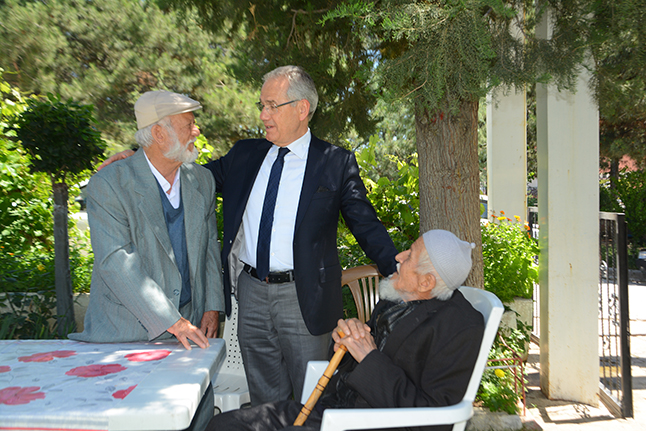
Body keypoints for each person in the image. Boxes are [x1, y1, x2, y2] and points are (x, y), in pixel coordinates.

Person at [99, 66, 399, 405]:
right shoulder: (245, 155)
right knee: (264, 401)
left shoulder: (335, 162)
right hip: (251, 294)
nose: (263, 115)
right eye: (262, 105)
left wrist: (401, 272)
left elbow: (366, 225)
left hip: (305, 299)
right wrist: (138, 157)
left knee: (313, 401)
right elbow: (186, 176)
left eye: (272, 106)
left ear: (302, 108)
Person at [205, 229, 484, 431]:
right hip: (333, 409)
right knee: (224, 425)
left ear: (426, 283)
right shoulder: (397, 296)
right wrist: (345, 342)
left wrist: (368, 357)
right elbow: (354, 359)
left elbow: (433, 419)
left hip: (368, 423)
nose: (399, 256)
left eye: (409, 255)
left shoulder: (460, 328)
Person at [69, 90, 224, 349]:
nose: (196, 131)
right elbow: (116, 262)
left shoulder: (202, 179)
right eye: (188, 125)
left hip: (189, 327)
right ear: (159, 134)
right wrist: (171, 320)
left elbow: (209, 247)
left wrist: (211, 307)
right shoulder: (110, 183)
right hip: (125, 333)